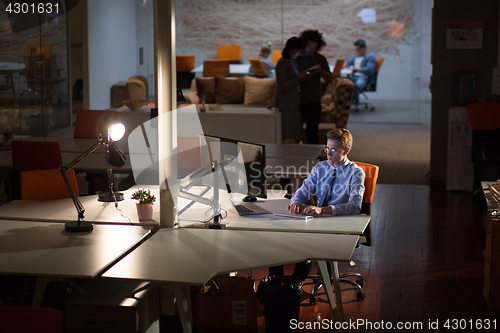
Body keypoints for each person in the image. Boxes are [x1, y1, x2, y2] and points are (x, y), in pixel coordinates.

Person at [269, 128, 365, 281]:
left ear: (346, 150)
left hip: (340, 223)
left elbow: (354, 206)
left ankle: (295, 284)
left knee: (310, 245)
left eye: (333, 149)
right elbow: (303, 190)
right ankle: (276, 284)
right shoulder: (320, 168)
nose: (328, 153)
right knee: (276, 240)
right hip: (317, 222)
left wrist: (323, 210)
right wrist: (296, 202)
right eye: (327, 148)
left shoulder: (356, 173)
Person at [296, 30, 334, 144]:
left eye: (314, 48)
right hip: (297, 101)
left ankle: (314, 160)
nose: (310, 50)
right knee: (295, 134)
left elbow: (330, 79)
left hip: (314, 101)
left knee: (312, 135)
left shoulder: (319, 58)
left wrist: (321, 70)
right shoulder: (296, 58)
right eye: (309, 47)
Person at [274, 37, 308, 143]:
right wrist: (298, 77)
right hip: (287, 103)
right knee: (288, 132)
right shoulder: (282, 63)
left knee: (296, 132)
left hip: (295, 101)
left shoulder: (292, 62)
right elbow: (282, 85)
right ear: (292, 49)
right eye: (298, 51)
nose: (299, 53)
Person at [343, 39, 378, 104]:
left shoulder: (370, 57)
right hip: (353, 76)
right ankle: (343, 101)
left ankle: (350, 101)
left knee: (358, 85)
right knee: (340, 82)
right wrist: (345, 64)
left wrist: (355, 69)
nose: (357, 51)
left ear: (363, 48)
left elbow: (368, 69)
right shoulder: (356, 56)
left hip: (363, 77)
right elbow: (348, 62)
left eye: (358, 49)